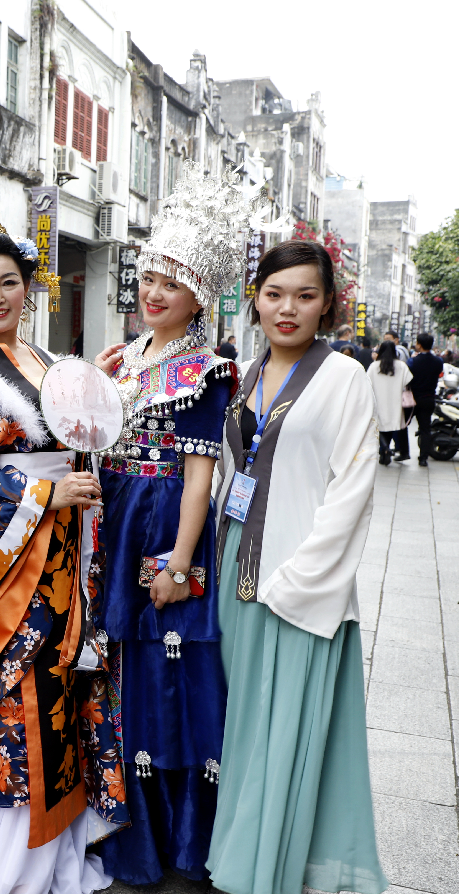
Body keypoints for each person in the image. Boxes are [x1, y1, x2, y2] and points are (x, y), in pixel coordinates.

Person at [0, 219, 127, 894]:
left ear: (29, 287)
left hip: (59, 551)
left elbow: (75, 439)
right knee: (4, 697)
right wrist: (46, 488)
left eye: (9, 282)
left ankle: (54, 850)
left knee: (57, 685)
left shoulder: (45, 360)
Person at [207, 239, 387, 894]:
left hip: (296, 586)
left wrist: (299, 581)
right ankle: (233, 853)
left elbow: (352, 490)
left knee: (279, 733)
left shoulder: (344, 378)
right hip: (236, 573)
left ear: (328, 305)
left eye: (305, 295)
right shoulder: (246, 373)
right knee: (243, 727)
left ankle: (261, 871)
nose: (288, 309)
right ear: (254, 298)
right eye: (275, 293)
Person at [90, 161, 245, 885]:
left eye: (172, 284)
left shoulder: (208, 372)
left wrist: (179, 566)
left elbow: (199, 484)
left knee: (164, 678)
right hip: (111, 522)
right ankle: (114, 820)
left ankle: (171, 844)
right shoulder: (118, 359)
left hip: (160, 528)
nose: (155, 293)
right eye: (150, 277)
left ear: (200, 297)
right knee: (112, 673)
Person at [367, 340, 413, 466]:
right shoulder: (402, 366)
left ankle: (384, 449)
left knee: (380, 428)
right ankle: (389, 450)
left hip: (378, 402)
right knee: (394, 426)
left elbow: (367, 384)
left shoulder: (374, 366)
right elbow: (408, 382)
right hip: (396, 403)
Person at [409, 332, 444, 467]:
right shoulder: (438, 361)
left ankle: (401, 450)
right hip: (429, 398)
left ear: (418, 345)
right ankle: (423, 458)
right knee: (425, 429)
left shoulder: (413, 361)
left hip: (412, 399)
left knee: (402, 425)